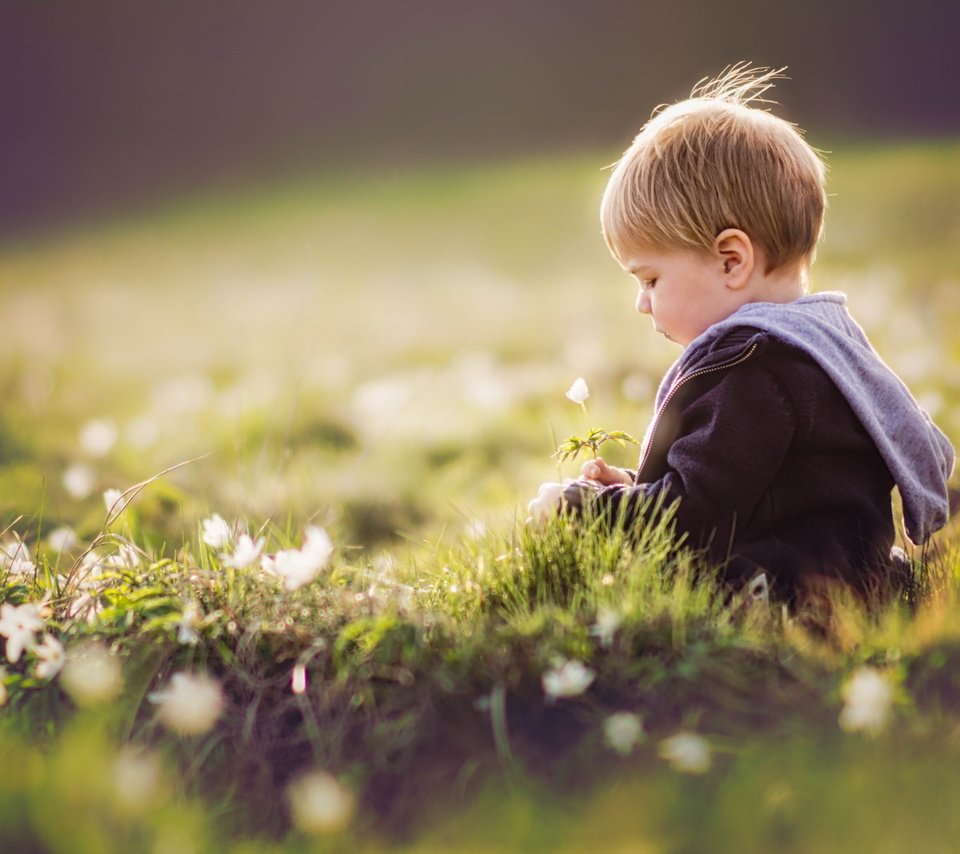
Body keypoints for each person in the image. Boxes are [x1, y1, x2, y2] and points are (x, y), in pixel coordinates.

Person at [550, 64, 955, 602]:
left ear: (731, 261)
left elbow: (688, 521)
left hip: (786, 593)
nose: (641, 303)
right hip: (847, 575)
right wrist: (633, 490)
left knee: (656, 590)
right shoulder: (820, 343)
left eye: (650, 278)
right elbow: (743, 494)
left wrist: (585, 510)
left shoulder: (753, 371)